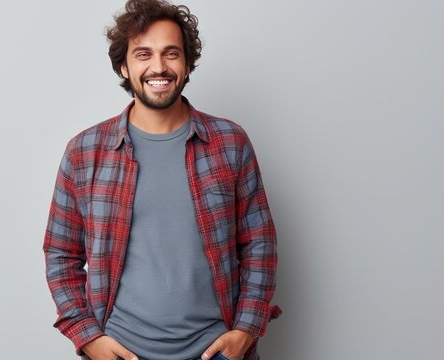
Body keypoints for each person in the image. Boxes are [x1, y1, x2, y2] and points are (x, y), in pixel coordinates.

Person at [42, 1, 281, 359]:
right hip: (121, 350)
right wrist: (88, 337)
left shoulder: (230, 143)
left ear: (186, 65)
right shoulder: (85, 152)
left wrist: (245, 330)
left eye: (171, 54)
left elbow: (259, 243)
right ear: (124, 65)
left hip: (216, 351)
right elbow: (61, 253)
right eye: (143, 54)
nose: (159, 67)